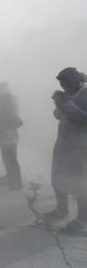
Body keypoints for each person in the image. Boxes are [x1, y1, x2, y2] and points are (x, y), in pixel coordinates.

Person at [44, 67, 87, 234]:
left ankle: (82, 221)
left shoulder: (85, 95)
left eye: (65, 83)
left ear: (76, 81)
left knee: (81, 182)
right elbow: (57, 116)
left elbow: (85, 119)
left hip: (81, 147)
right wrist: (59, 104)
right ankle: (61, 209)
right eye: (61, 84)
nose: (63, 87)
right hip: (64, 144)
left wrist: (66, 104)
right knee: (57, 176)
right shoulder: (69, 94)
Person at [0, 82, 23, 191]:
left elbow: (18, 121)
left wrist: (9, 127)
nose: (0, 90)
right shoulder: (1, 101)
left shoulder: (11, 100)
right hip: (2, 133)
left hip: (10, 135)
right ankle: (10, 178)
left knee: (12, 159)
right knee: (6, 158)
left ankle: (17, 183)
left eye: (2, 88)